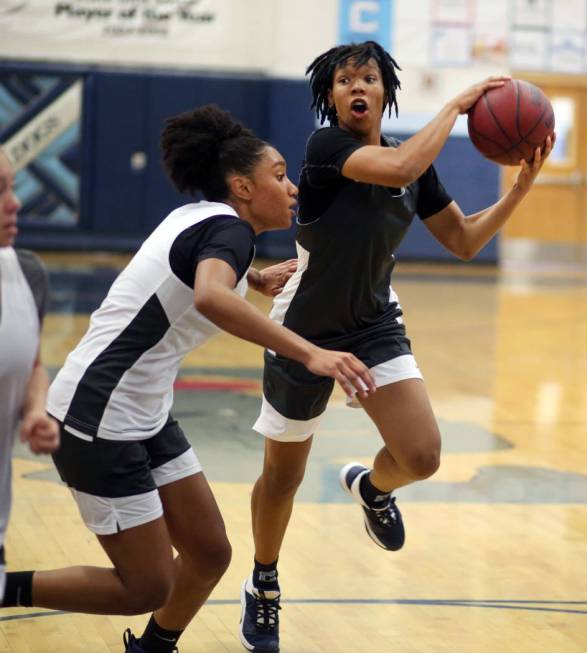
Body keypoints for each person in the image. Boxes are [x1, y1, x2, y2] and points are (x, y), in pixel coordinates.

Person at [0, 105, 375, 653]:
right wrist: (311, 353)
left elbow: (190, 269)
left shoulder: (199, 218)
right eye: (278, 175)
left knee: (209, 553)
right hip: (96, 419)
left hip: (139, 412)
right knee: (145, 584)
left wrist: (253, 279)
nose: (292, 188)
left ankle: (151, 648)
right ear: (242, 187)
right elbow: (208, 294)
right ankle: (6, 589)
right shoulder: (230, 232)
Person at [240, 41, 554, 653]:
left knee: (423, 454)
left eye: (368, 77)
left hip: (374, 322)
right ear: (330, 97)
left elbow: (462, 239)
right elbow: (400, 167)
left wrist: (518, 191)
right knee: (283, 477)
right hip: (302, 329)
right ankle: (265, 583)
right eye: (343, 80)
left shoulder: (415, 163)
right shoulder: (326, 149)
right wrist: (460, 102)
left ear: (385, 90)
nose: (356, 87)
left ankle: (373, 487)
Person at [0, 148, 60, 607]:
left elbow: (33, 363)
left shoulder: (26, 273)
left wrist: (35, 409)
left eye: (12, 186)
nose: (14, 202)